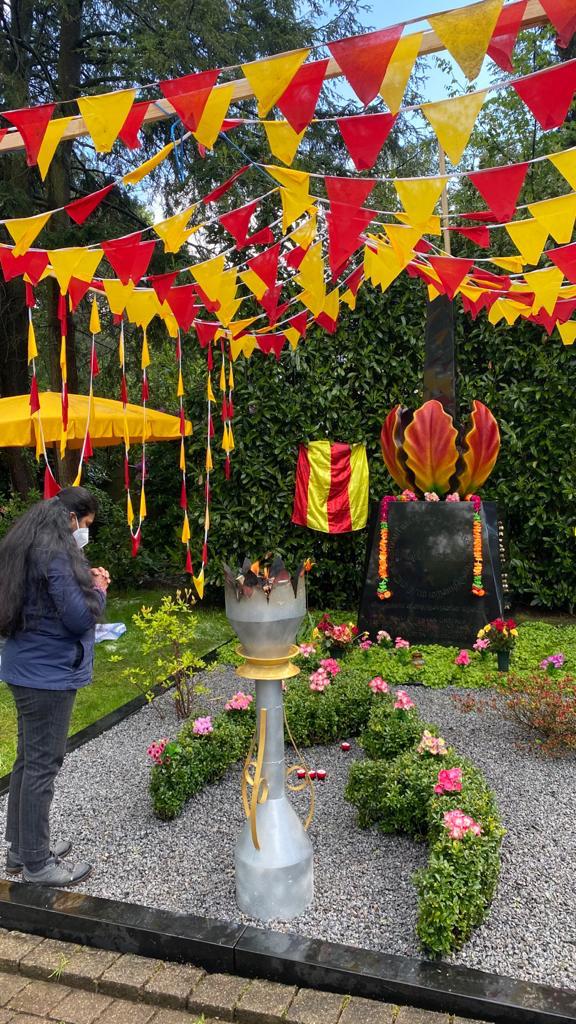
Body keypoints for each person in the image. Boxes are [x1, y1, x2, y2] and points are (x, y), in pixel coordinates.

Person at [0, 486, 110, 886]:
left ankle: (21, 849)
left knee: (28, 761)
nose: (85, 532)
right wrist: (98, 590)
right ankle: (37, 864)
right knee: (42, 766)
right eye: (86, 524)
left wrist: (84, 582)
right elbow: (79, 619)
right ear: (71, 518)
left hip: (26, 668)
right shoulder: (57, 553)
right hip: (48, 675)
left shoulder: (30, 544)